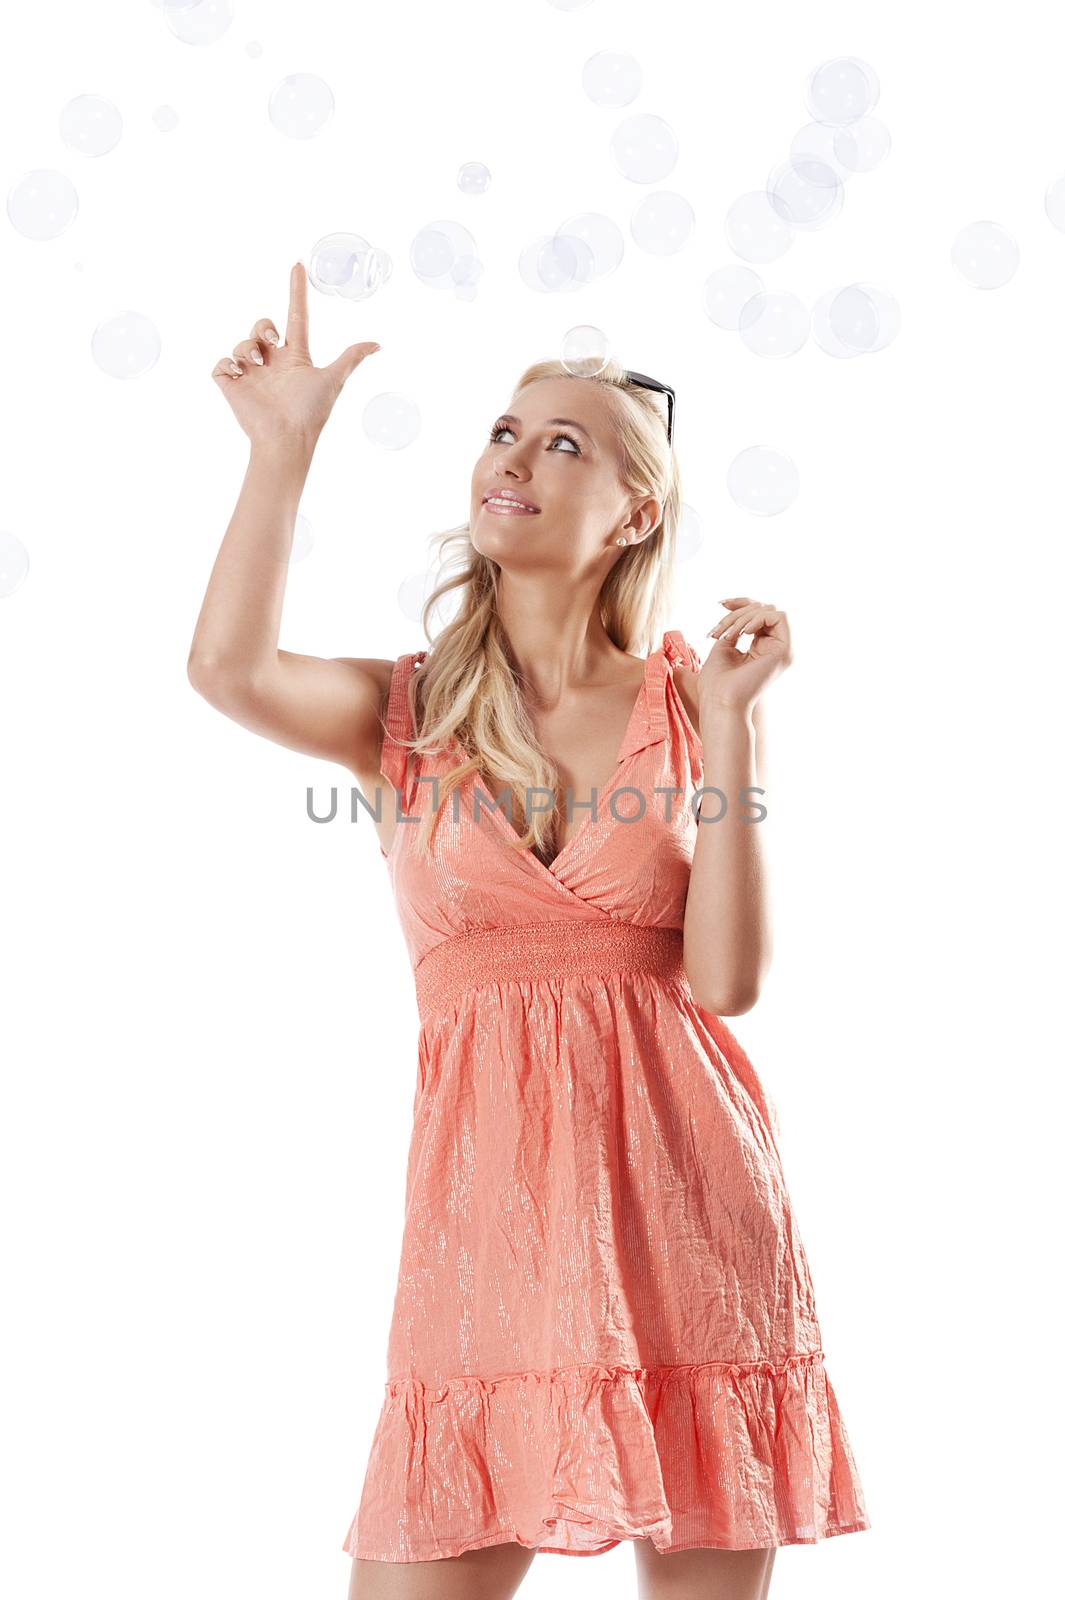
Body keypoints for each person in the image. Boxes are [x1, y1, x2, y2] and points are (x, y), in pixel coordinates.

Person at [189, 263, 871, 1600]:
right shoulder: (404, 713)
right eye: (505, 431)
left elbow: (723, 983)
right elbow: (226, 671)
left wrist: (735, 726)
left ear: (635, 511)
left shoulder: (691, 705)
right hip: (484, 1241)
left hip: (693, 1218)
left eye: (566, 444)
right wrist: (283, 450)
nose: (515, 459)